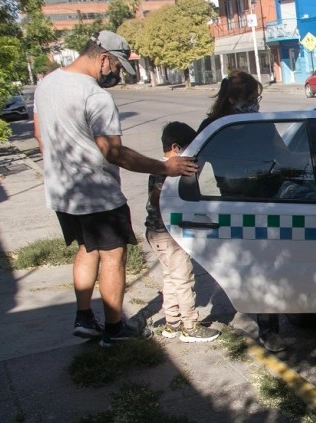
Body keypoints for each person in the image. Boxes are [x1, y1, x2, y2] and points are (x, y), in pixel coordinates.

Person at [32, 30, 198, 347]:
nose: (117, 74)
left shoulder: (47, 83)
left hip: (62, 191)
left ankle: (84, 318)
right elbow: (115, 153)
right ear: (104, 57)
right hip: (97, 193)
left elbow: (41, 138)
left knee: (86, 247)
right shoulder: (96, 97)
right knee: (112, 256)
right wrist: (165, 167)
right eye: (118, 67)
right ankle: (114, 327)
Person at [197, 70, 285, 352]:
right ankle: (266, 326)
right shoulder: (213, 128)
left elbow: (283, 155)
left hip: (268, 203)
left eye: (257, 98)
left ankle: (268, 325)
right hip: (235, 208)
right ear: (233, 99)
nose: (255, 104)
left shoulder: (262, 124)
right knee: (254, 269)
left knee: (267, 269)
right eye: (250, 99)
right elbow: (191, 167)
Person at [146, 122, 220, 343]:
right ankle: (190, 325)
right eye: (190, 148)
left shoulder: (163, 167)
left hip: (157, 233)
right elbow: (156, 198)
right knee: (184, 280)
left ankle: (173, 322)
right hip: (168, 235)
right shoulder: (167, 169)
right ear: (177, 148)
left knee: (171, 279)